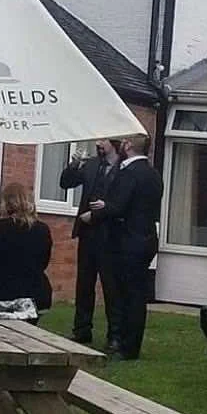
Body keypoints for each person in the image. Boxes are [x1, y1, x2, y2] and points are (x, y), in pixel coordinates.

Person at [85, 134, 162, 360]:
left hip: (128, 241)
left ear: (128, 146)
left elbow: (119, 207)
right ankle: (131, 344)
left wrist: (98, 211)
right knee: (137, 295)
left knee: (127, 296)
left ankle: (127, 346)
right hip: (147, 238)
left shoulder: (129, 172)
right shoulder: (153, 174)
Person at [60, 139, 120, 346]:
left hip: (111, 235)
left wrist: (104, 209)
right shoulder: (93, 164)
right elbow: (66, 182)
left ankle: (114, 335)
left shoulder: (123, 167)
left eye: (103, 140)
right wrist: (74, 164)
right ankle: (82, 330)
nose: (98, 143)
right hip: (88, 233)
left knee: (111, 287)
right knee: (84, 284)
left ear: (115, 142)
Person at [0, 181, 52, 313]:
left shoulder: (0, 227)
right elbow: (43, 263)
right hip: (36, 296)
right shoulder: (43, 229)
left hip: (2, 295)